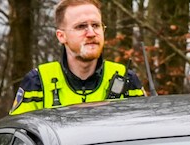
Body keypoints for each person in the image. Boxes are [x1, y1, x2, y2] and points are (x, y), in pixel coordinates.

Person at [10, 0, 146, 115]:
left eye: (96, 25)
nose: (91, 33)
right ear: (61, 36)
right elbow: (21, 138)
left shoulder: (127, 80)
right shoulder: (38, 83)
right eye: (81, 27)